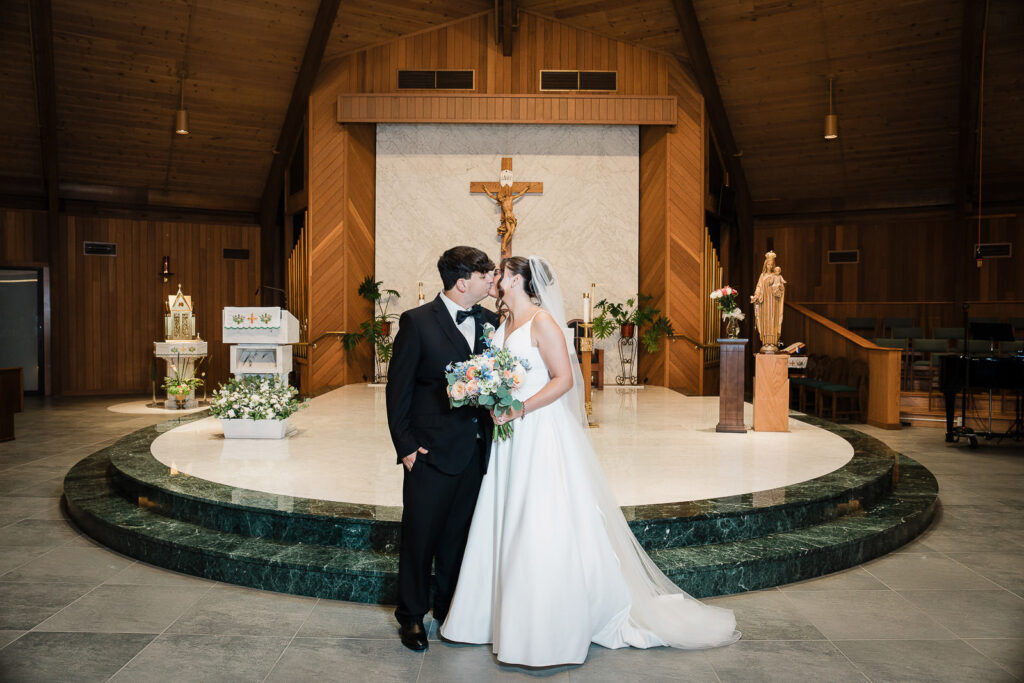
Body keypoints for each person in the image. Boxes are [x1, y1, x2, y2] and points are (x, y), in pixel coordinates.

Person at [440, 256, 740, 666]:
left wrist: (520, 408)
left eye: (500, 274)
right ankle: (493, 617)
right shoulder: (503, 324)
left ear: (517, 281)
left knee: (538, 518)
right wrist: (491, 394)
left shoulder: (542, 322)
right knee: (506, 515)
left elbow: (563, 379)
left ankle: (546, 626)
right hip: (509, 436)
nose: (493, 279)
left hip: (539, 431)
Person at [385, 246, 499, 652]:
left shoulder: (491, 322)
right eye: (486, 273)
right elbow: (397, 390)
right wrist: (406, 447)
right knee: (420, 537)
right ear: (462, 280)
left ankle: (449, 608)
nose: (493, 279)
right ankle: (412, 617)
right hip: (429, 452)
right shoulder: (417, 322)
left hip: (475, 450)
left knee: (459, 537)